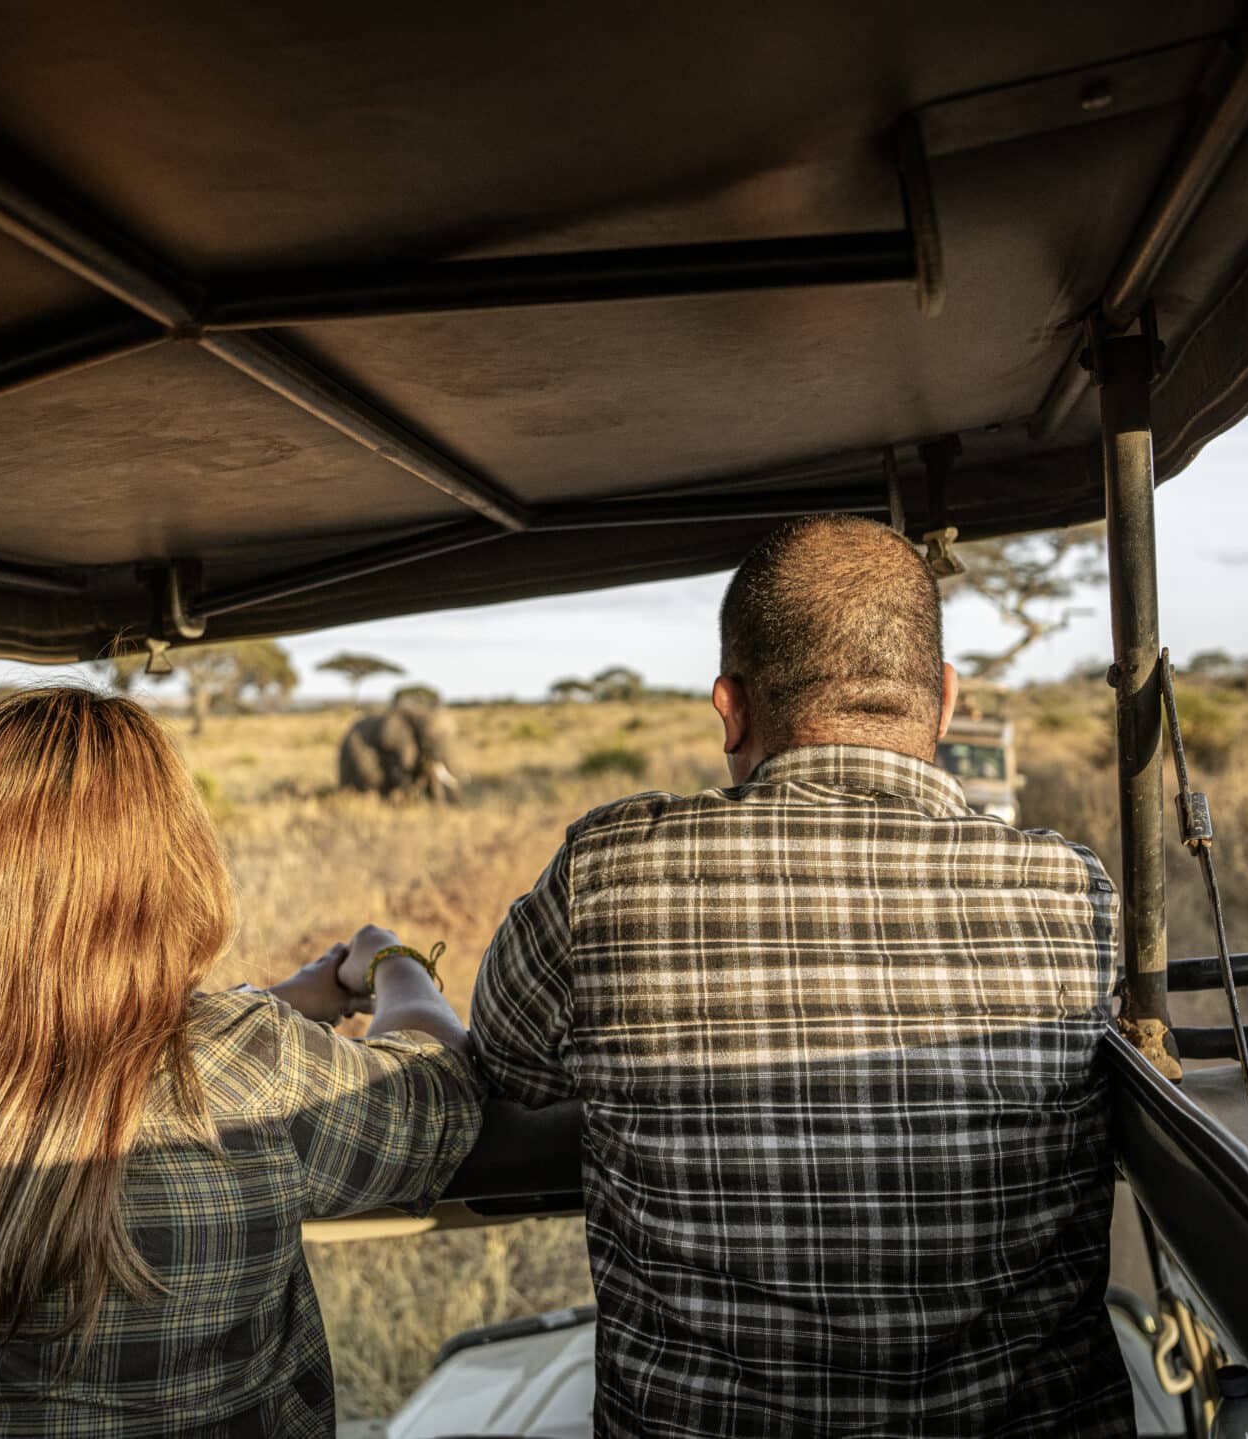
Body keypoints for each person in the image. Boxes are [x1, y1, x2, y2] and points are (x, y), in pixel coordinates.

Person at [468, 515, 1128, 1437]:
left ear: (729, 706)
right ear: (943, 701)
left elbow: (503, 1066)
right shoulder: (1072, 891)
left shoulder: (606, 870)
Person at [0, 686, 478, 1437]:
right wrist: (391, 960)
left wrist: (278, 997)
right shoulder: (251, 1059)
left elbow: (53, 1030)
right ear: (175, 863)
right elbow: (442, 1082)